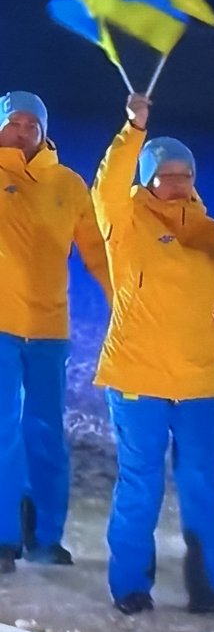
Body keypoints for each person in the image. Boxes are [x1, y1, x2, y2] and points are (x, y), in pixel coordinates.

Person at [92, 93, 214, 616]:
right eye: (167, 174)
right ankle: (130, 587)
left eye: (186, 173)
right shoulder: (125, 221)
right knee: (140, 485)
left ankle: (210, 586)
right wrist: (133, 128)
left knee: (203, 486)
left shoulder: (210, 232)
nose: (179, 182)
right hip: (137, 377)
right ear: (147, 178)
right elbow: (107, 185)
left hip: (196, 382)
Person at [0, 90, 110, 574]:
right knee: (2, 431)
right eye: (13, 123)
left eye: (31, 125)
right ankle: (3, 539)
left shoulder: (68, 184)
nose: (22, 133)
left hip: (48, 328)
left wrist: (123, 302)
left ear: (44, 131)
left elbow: (96, 252)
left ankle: (45, 537)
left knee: (46, 433)